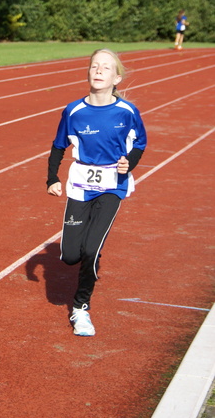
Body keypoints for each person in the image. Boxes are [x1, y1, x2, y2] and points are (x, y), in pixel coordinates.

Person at [46, 49, 147, 336]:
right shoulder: (74, 111)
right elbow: (58, 145)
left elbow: (140, 142)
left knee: (92, 248)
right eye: (94, 66)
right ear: (88, 73)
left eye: (106, 67)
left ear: (116, 78)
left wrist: (131, 162)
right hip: (80, 182)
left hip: (112, 184)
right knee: (69, 255)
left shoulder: (127, 112)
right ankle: (89, 258)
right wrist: (51, 178)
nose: (99, 70)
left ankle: (81, 308)